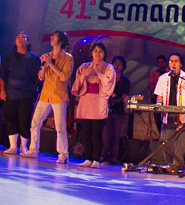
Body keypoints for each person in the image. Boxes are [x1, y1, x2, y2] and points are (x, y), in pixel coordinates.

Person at [23, 31, 72, 161]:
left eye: (54, 37)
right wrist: (44, 65)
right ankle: (33, 149)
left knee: (60, 127)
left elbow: (64, 77)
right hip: (45, 95)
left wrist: (50, 63)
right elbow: (40, 77)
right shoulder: (48, 55)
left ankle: (63, 154)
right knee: (35, 122)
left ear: (61, 41)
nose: (51, 38)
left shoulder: (68, 58)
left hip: (59, 96)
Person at [153, 53, 185, 171]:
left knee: (180, 145)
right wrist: (159, 104)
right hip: (168, 116)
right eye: (171, 61)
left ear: (181, 64)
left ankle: (177, 166)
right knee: (166, 144)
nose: (173, 63)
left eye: (176, 61)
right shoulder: (163, 78)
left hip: (184, 117)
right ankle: (170, 165)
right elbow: (159, 96)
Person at [70, 40, 117, 168]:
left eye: (100, 51)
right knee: (86, 132)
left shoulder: (108, 67)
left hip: (99, 100)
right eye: (95, 51)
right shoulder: (84, 66)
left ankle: (96, 159)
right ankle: (88, 158)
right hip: (86, 100)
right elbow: (76, 85)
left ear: (104, 53)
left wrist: (98, 72)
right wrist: (83, 77)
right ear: (91, 53)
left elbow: (108, 83)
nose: (97, 54)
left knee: (97, 132)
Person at [0, 31, 41, 155]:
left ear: (28, 42)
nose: (20, 39)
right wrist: (2, 90)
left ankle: (23, 146)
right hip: (10, 92)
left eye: (23, 37)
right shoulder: (8, 57)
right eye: (18, 37)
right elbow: (3, 75)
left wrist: (33, 91)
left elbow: (38, 77)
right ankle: (13, 146)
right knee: (10, 118)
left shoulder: (34, 59)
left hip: (26, 94)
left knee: (24, 120)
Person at [102, 55, 131, 164]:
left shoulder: (125, 81)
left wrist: (115, 100)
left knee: (116, 135)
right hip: (106, 109)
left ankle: (114, 156)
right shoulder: (108, 78)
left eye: (119, 63)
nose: (116, 65)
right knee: (105, 134)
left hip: (118, 110)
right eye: (115, 63)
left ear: (123, 66)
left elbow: (124, 97)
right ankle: (103, 156)